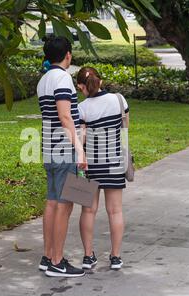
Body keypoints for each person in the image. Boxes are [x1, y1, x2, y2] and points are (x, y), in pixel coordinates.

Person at [37, 36, 87, 278]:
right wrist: (79, 148)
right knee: (63, 206)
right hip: (64, 148)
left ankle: (48, 256)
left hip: (49, 147)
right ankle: (57, 261)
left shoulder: (44, 80)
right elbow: (65, 116)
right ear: (68, 54)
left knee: (52, 202)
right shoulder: (63, 79)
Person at [76, 67, 129, 270]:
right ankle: (115, 257)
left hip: (89, 163)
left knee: (88, 211)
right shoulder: (119, 100)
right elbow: (125, 130)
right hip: (114, 160)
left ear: (82, 86)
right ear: (101, 81)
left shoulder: (82, 108)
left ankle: (88, 256)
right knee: (115, 211)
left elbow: (82, 138)